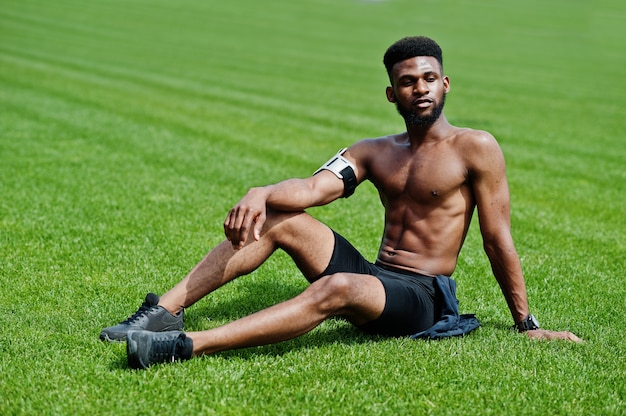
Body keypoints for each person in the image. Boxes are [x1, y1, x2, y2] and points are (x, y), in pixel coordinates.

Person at [101, 36, 581, 369]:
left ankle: (182, 346)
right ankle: (162, 312)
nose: (420, 89)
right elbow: (312, 191)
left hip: (423, 297)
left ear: (445, 84)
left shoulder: (477, 148)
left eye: (429, 78)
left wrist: (526, 324)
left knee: (340, 288)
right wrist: (262, 193)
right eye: (409, 82)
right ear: (392, 93)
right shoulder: (375, 151)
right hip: (379, 278)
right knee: (278, 217)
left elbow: (497, 240)